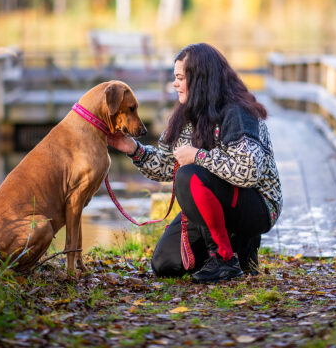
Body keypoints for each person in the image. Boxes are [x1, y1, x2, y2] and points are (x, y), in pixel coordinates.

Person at [108, 43, 282, 284]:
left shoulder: (239, 112)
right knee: (165, 264)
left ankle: (226, 258)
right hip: (209, 200)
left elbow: (249, 172)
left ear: (200, 79)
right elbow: (169, 165)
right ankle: (235, 251)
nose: (174, 84)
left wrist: (198, 156)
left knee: (189, 176)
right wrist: (133, 149)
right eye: (174, 77)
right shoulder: (183, 115)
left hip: (257, 206)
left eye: (180, 78)